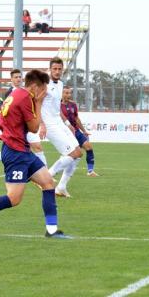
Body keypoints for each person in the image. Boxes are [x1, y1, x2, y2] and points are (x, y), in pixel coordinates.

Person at [0, 69, 70, 239]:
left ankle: (51, 231)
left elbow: (2, 119)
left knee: (48, 183)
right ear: (36, 87)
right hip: (15, 153)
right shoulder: (26, 99)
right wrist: (38, 103)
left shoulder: (17, 94)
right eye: (44, 88)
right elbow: (34, 128)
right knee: (14, 198)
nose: (45, 92)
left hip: (21, 150)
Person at [0, 69, 47, 175]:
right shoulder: (11, 93)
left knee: (21, 149)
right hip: (17, 127)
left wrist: (41, 122)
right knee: (34, 147)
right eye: (16, 77)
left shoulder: (24, 92)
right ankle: (45, 173)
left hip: (25, 125)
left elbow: (32, 110)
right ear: (11, 79)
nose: (18, 79)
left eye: (19, 77)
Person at [40, 57, 82, 198]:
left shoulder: (61, 84)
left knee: (78, 154)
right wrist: (41, 124)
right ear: (50, 69)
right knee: (72, 154)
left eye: (59, 69)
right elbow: (36, 105)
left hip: (58, 121)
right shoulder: (44, 84)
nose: (57, 71)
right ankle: (47, 176)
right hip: (49, 125)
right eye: (55, 69)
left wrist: (68, 124)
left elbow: (57, 107)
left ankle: (61, 187)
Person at [61, 86, 99, 177]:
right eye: (66, 93)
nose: (68, 95)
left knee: (88, 147)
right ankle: (56, 171)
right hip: (65, 133)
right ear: (61, 94)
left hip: (76, 131)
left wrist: (84, 131)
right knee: (71, 153)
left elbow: (76, 118)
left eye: (70, 93)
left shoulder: (73, 105)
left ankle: (90, 171)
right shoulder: (57, 106)